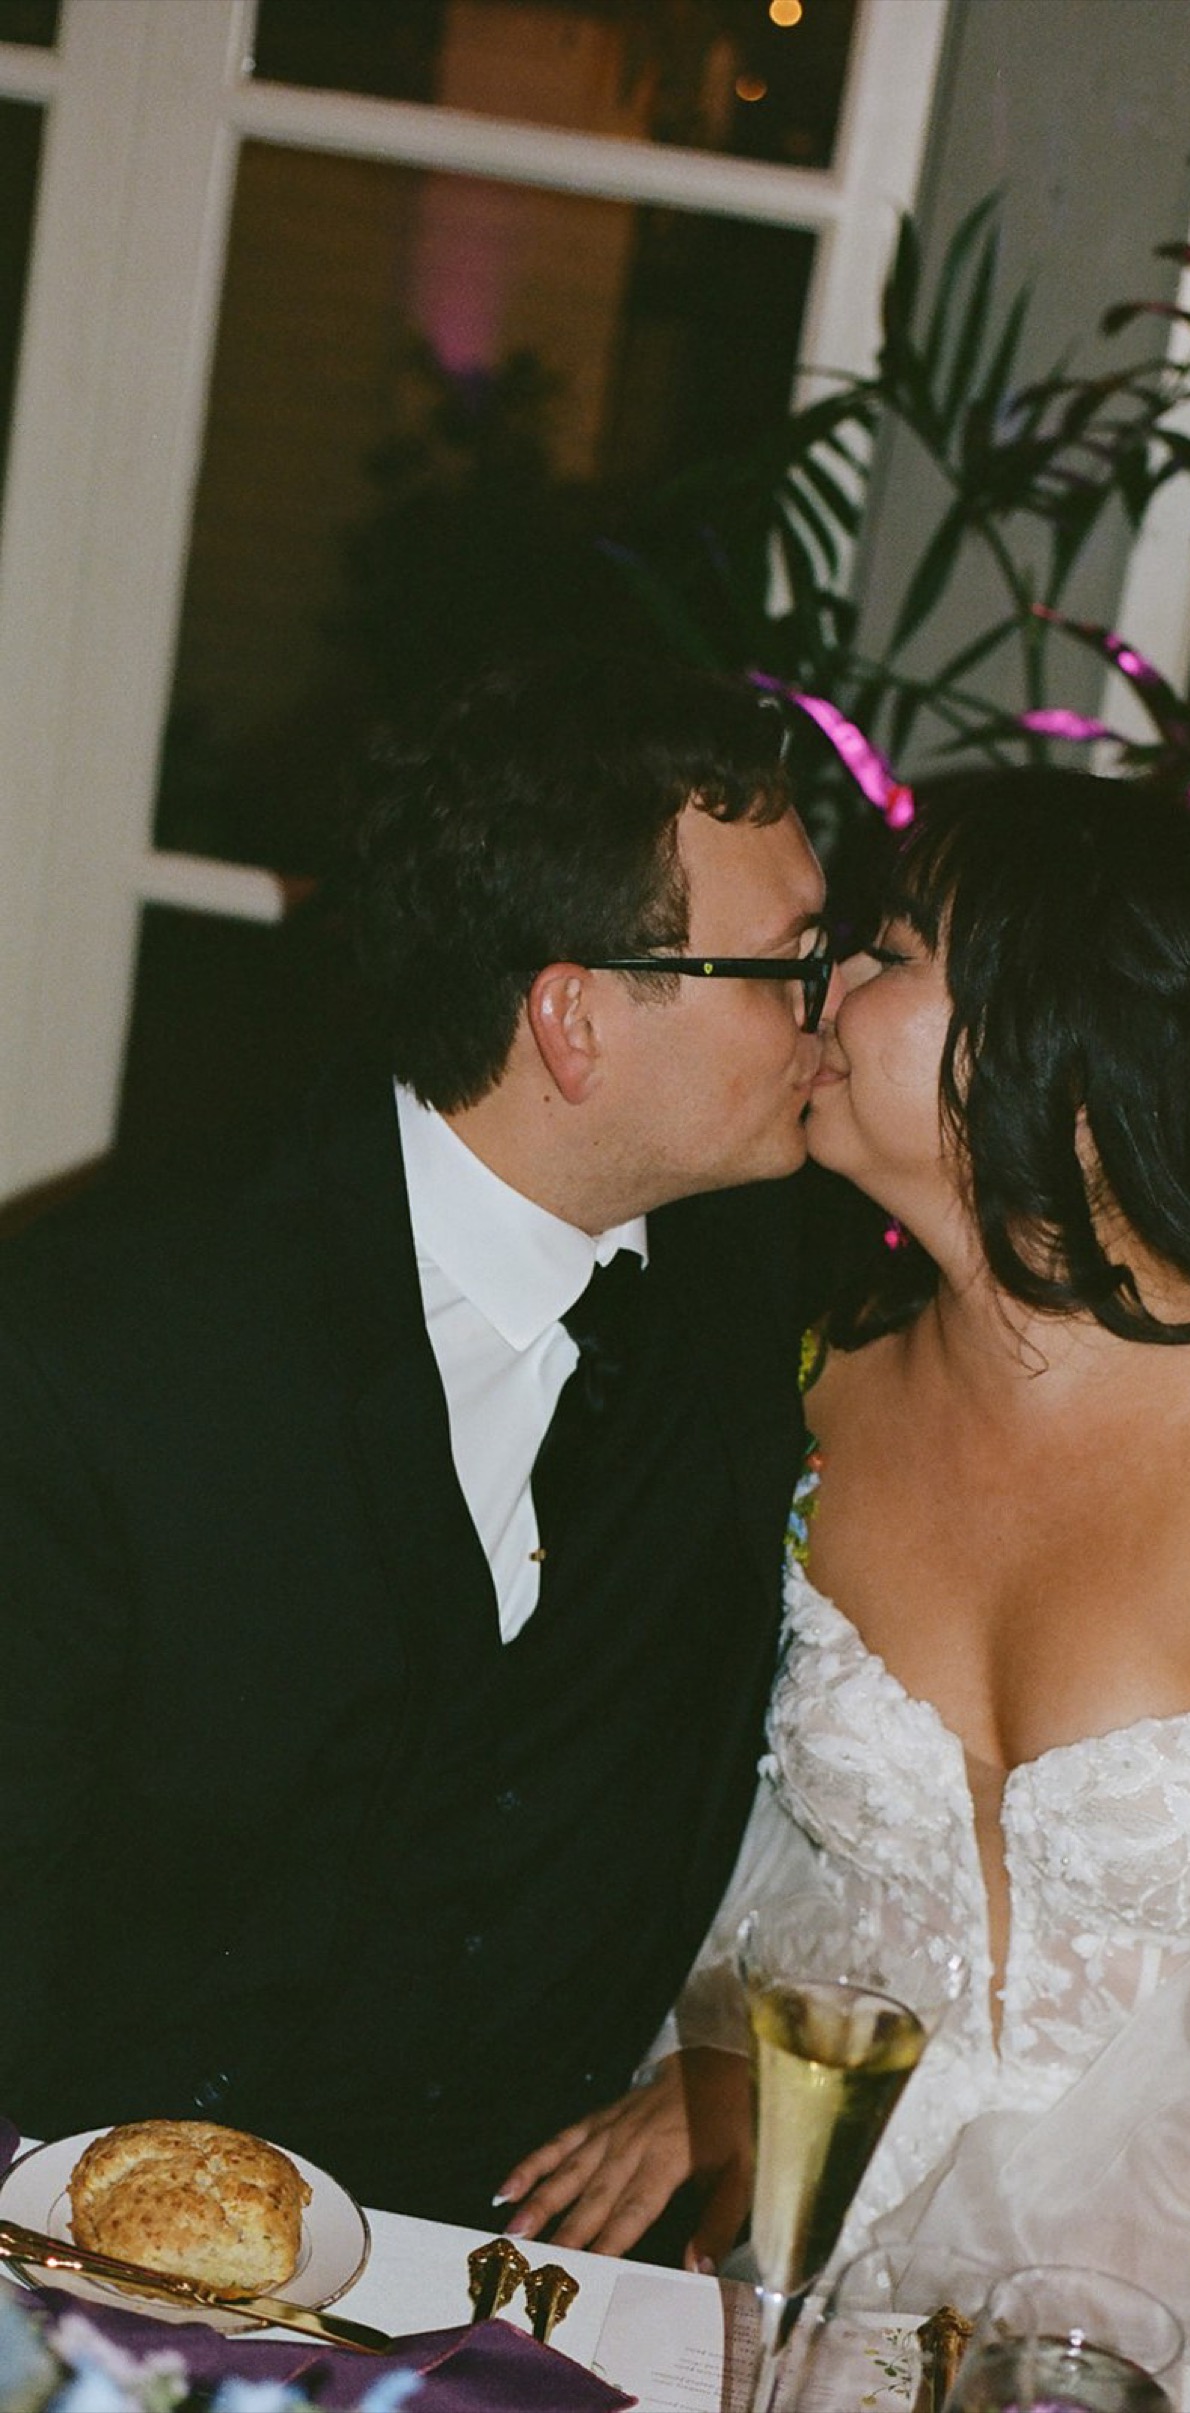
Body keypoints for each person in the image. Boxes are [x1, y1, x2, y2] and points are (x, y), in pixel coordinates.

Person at [504, 765, 1190, 2409]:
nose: (827, 991)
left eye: (882, 951)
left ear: (1048, 1046)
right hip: (834, 2228)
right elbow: (803, 1836)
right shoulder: (817, 1400)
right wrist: (730, 2054)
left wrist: (1018, 2315)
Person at [0, 654, 830, 2229]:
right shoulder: (98, 1355)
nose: (828, 1009)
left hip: (551, 2283)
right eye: (787, 961)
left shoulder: (750, 1259)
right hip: (121, 2256)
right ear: (574, 1019)